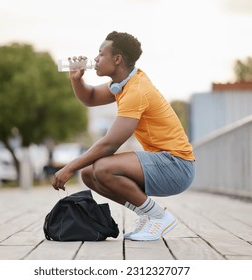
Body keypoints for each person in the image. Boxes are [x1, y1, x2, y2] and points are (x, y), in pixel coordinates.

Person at [52, 31, 195, 241]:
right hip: (163, 162)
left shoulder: (136, 90)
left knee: (103, 168)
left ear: (117, 59)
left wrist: (69, 167)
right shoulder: (123, 84)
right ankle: (146, 214)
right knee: (89, 173)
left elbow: (110, 145)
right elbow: (90, 97)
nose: (95, 59)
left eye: (101, 54)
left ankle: (159, 216)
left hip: (176, 165)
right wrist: (76, 79)